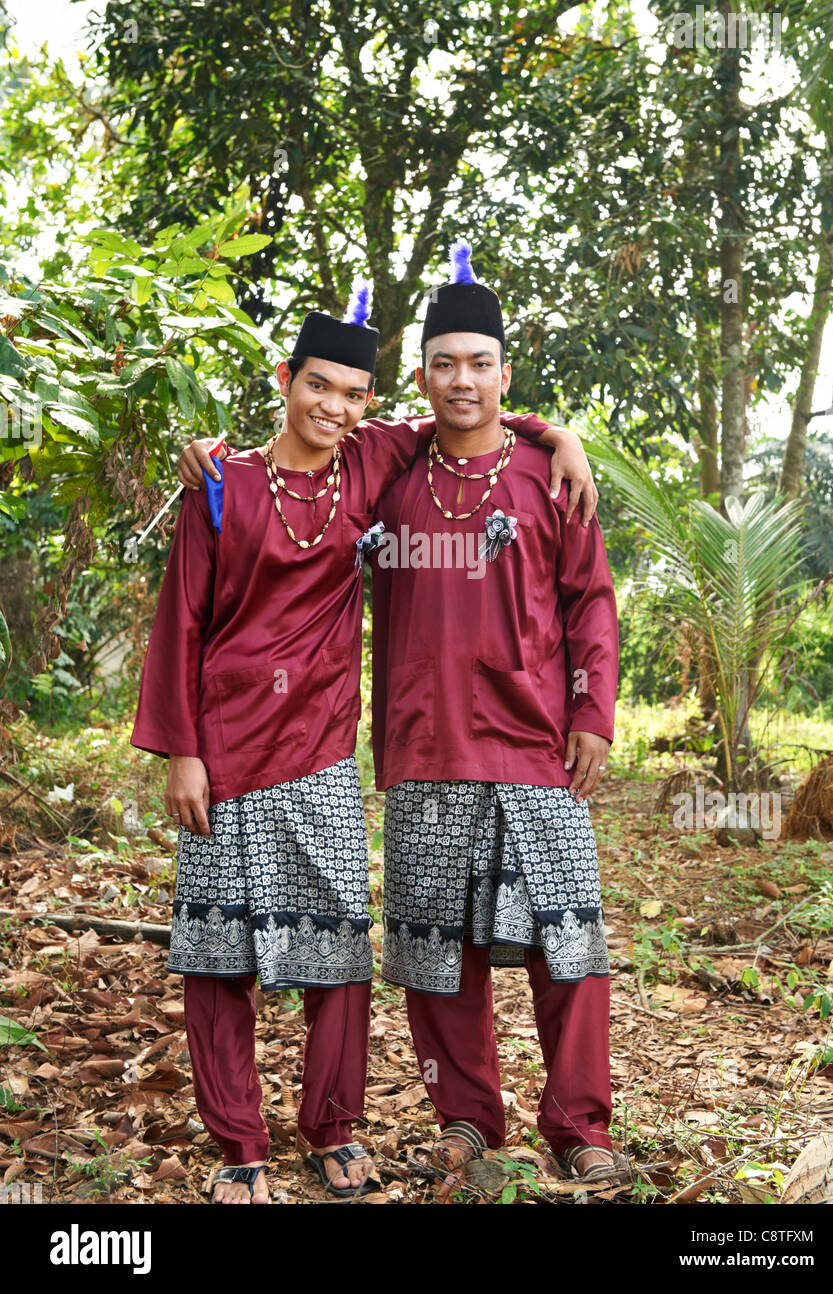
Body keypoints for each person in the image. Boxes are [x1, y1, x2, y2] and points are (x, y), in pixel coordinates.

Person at [137, 280, 596, 1204]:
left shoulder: (368, 462)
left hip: (322, 751)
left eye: (353, 394)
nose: (333, 407)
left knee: (341, 954)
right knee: (220, 956)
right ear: (286, 379)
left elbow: (472, 414)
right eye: (319, 386)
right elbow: (179, 625)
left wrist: (558, 434)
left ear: (370, 405)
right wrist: (182, 750)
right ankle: (240, 1145)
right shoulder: (222, 486)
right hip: (226, 749)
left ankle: (333, 1127)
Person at [369, 240, 629, 1186]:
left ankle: (579, 1125)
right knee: (437, 954)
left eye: (481, 364)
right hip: (425, 740)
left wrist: (592, 712)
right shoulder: (390, 474)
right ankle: (469, 1116)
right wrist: (210, 466)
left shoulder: (549, 475)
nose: (463, 380)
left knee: (569, 941)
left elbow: (590, 600)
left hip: (531, 745)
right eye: (446, 363)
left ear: (504, 372)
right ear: (424, 372)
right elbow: (303, 459)